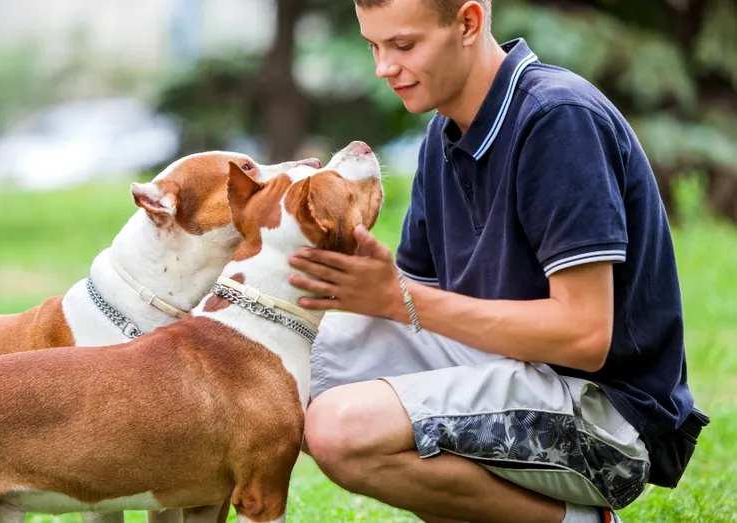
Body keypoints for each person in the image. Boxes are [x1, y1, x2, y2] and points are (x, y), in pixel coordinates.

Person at [286, 1, 708, 522]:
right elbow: (421, 315)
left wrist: (399, 299)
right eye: (373, 46)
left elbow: (584, 336)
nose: (383, 68)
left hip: (607, 420)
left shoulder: (558, 119)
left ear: (467, 23)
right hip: (503, 368)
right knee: (287, 371)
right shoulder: (441, 137)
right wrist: (357, 285)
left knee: (339, 427)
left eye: (403, 45)